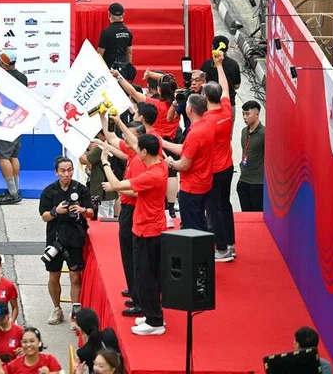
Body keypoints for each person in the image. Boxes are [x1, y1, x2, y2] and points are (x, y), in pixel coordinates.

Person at [100, 134, 168, 336]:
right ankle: (150, 314)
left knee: (146, 277)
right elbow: (133, 142)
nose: (136, 150)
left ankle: (155, 321)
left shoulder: (152, 174)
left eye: (140, 149)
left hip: (149, 230)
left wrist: (105, 163)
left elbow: (118, 186)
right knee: (145, 275)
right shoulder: (160, 163)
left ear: (145, 152)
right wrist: (119, 125)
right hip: (146, 226)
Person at [38, 157, 93, 325]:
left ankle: (75, 313)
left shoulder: (81, 190)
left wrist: (82, 210)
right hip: (55, 240)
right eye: (63, 171)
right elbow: (44, 216)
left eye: (69, 170)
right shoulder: (49, 191)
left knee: (75, 277)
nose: (67, 174)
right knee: (53, 276)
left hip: (75, 239)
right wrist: (56, 211)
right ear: (56, 172)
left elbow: (91, 212)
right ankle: (57, 309)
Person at [162, 93, 214, 233]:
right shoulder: (207, 126)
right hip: (204, 183)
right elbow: (187, 150)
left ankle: (198, 254)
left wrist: (171, 163)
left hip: (191, 187)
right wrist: (163, 143)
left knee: (192, 228)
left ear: (189, 109)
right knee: (200, 222)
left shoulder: (195, 134)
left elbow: (184, 164)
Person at [203, 49, 236, 262]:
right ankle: (231, 244)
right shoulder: (226, 110)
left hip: (213, 171)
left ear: (206, 98)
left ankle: (222, 249)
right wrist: (220, 65)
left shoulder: (207, 122)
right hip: (228, 167)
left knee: (213, 209)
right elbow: (225, 87)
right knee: (226, 205)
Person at [0, 51, 26, 205]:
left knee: (2, 156)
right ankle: (15, 190)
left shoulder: (1, 76)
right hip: (18, 119)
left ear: (3, 63)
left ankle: (13, 193)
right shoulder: (23, 77)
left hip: (3, 121)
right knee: (13, 155)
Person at [237, 100, 265, 212]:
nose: (244, 117)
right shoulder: (244, 131)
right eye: (243, 114)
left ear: (257, 114)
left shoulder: (264, 134)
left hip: (257, 183)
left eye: (247, 114)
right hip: (244, 180)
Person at [199, 35, 241, 107]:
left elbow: (200, 82)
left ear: (212, 47)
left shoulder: (206, 64)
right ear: (227, 48)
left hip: (210, 105)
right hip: (229, 104)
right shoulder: (234, 64)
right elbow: (237, 86)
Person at [97, 3, 134, 81]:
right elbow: (129, 52)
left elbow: (100, 54)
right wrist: (128, 67)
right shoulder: (128, 32)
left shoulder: (106, 32)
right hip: (123, 69)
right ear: (123, 14)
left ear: (109, 14)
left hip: (109, 70)